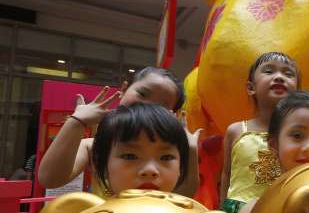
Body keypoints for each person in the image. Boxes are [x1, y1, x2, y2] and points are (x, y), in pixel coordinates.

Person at [38, 67, 198, 198]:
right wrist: (76, 122)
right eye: (142, 94)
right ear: (124, 89)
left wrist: (190, 150)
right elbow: (50, 179)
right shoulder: (93, 146)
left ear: (172, 114)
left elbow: (183, 196)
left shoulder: (175, 149)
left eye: (161, 104)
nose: (147, 105)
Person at [219, 52, 299, 213]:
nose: (279, 77)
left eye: (288, 74)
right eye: (269, 72)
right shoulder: (236, 130)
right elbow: (226, 173)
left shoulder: (300, 135)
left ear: (297, 90)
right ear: (251, 88)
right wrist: (222, 212)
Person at [91, 103, 189, 196]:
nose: (150, 170)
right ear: (103, 165)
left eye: (166, 157)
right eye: (130, 156)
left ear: (180, 167)